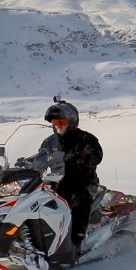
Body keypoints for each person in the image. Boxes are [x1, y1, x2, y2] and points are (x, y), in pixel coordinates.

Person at [39, 99, 102, 252]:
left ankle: (77, 240)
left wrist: (81, 158)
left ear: (71, 122)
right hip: (58, 181)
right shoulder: (50, 142)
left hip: (83, 182)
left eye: (61, 121)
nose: (58, 124)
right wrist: (29, 165)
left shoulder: (85, 139)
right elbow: (41, 158)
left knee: (79, 198)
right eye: (54, 121)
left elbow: (97, 155)